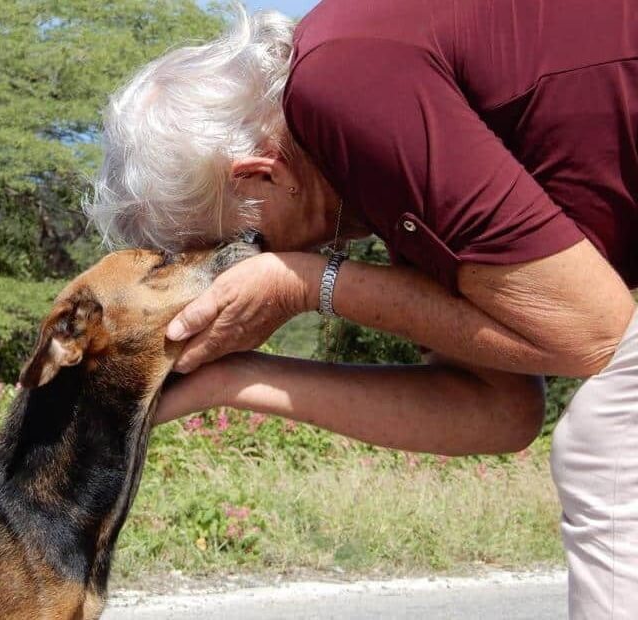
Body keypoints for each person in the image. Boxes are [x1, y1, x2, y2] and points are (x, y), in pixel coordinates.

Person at [85, 1, 638, 617]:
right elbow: (500, 408)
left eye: (246, 245)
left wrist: (304, 281)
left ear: (259, 177)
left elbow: (591, 337)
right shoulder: (385, 159)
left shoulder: (343, 85)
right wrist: (234, 380)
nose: (250, 265)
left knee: (606, 446)